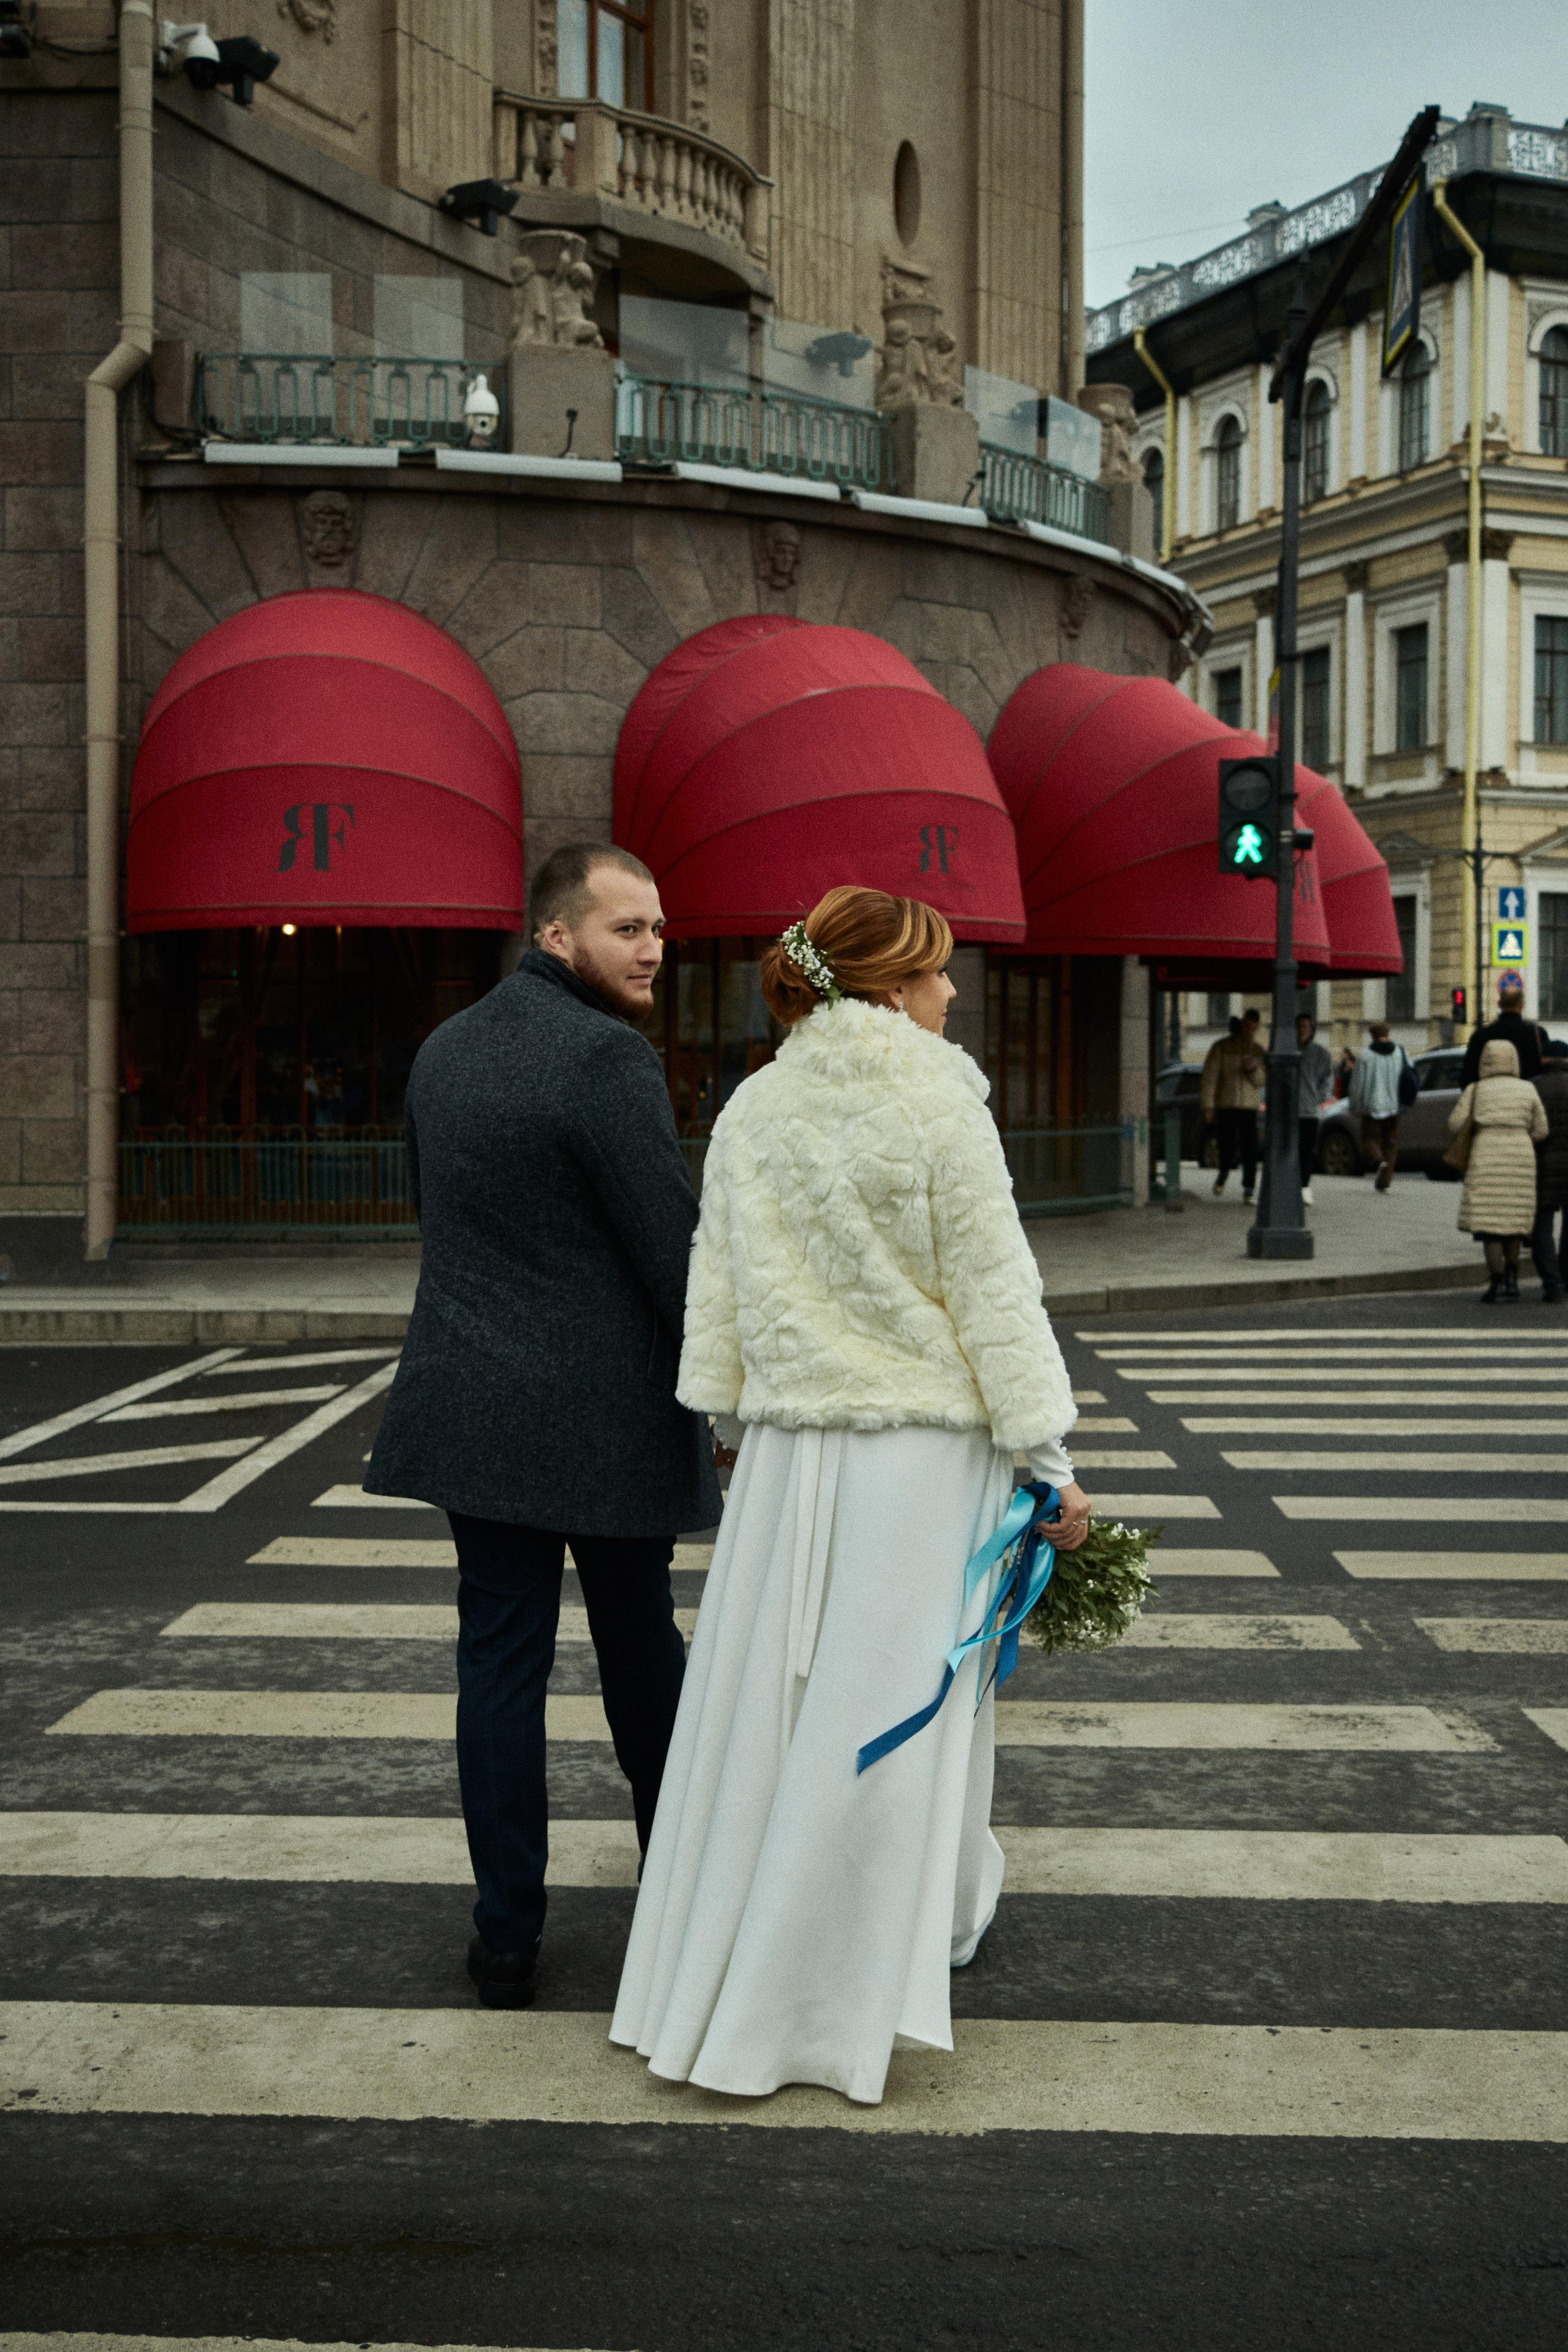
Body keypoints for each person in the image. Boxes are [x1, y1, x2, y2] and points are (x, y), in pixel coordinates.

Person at [611, 886, 1088, 2108]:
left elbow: (711, 1294)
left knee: (771, 1713)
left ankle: (739, 1961)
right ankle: (877, 1958)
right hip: (919, 1456)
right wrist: (1049, 1463)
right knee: (909, 1714)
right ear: (885, 986)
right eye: (933, 975)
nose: (949, 995)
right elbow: (993, 1299)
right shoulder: (940, 1097)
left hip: (784, 1450)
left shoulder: (751, 1106)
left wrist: (726, 1425)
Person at [366, 843, 722, 2010]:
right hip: (608, 1420)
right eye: (629, 929)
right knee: (640, 1655)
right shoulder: (607, 1058)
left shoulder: (444, 1048)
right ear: (557, 936)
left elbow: (436, 1211)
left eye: (660, 928)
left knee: (499, 1672)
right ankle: (680, 1905)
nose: (655, 948)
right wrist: (728, 1396)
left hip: (474, 1409)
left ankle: (506, 1937)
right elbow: (673, 1254)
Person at [1449, 1036, 1548, 1303]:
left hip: (1486, 1152)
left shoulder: (1476, 1090)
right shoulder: (1527, 1089)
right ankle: (1514, 1280)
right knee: (1514, 1222)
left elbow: (1455, 1125)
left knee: (1489, 1225)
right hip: (1521, 1155)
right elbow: (1542, 1130)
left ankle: (1496, 1282)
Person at [1199, 1008, 1264, 1200]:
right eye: (1247, 1026)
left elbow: (1261, 1081)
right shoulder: (1222, 1047)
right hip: (1226, 1104)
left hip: (1248, 1106)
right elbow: (1210, 1078)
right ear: (1241, 1024)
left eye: (1253, 1028)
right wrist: (1208, 1106)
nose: (1249, 1031)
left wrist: (1252, 1070)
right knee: (1227, 1143)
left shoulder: (1257, 1050)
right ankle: (1223, 1172)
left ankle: (1249, 1187)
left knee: (1250, 1147)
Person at [1348, 1019, 1413, 1191]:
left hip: (1372, 1108)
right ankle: (1386, 1180)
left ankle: (1378, 1161)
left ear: (1372, 1036)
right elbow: (1409, 1074)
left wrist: (1354, 1106)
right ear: (1387, 1034)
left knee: (1369, 1139)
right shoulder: (1400, 1053)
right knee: (1390, 1144)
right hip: (1394, 1107)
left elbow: (1357, 1085)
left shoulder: (1365, 1057)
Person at [1530, 1039, 1568, 1304]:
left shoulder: (1533, 1087)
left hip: (1542, 1165)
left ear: (1544, 1059)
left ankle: (1552, 1284)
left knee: (1542, 1226)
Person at [1460, 976, 1544, 1087]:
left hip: (1489, 1097)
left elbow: (1467, 1077)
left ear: (1499, 1004)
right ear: (1522, 1005)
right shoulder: (1537, 1034)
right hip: (1524, 1098)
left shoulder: (1481, 1035)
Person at [1295, 1011, 1334, 1205]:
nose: (1302, 1031)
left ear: (1312, 1030)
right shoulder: (1287, 1050)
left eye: (1306, 1027)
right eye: (1299, 1026)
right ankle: (1291, 1186)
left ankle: (1304, 1185)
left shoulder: (1320, 1053)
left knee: (1306, 1150)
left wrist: (1317, 1099)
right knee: (1288, 1150)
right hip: (1289, 1112)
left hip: (1309, 1111)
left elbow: (1327, 1081)